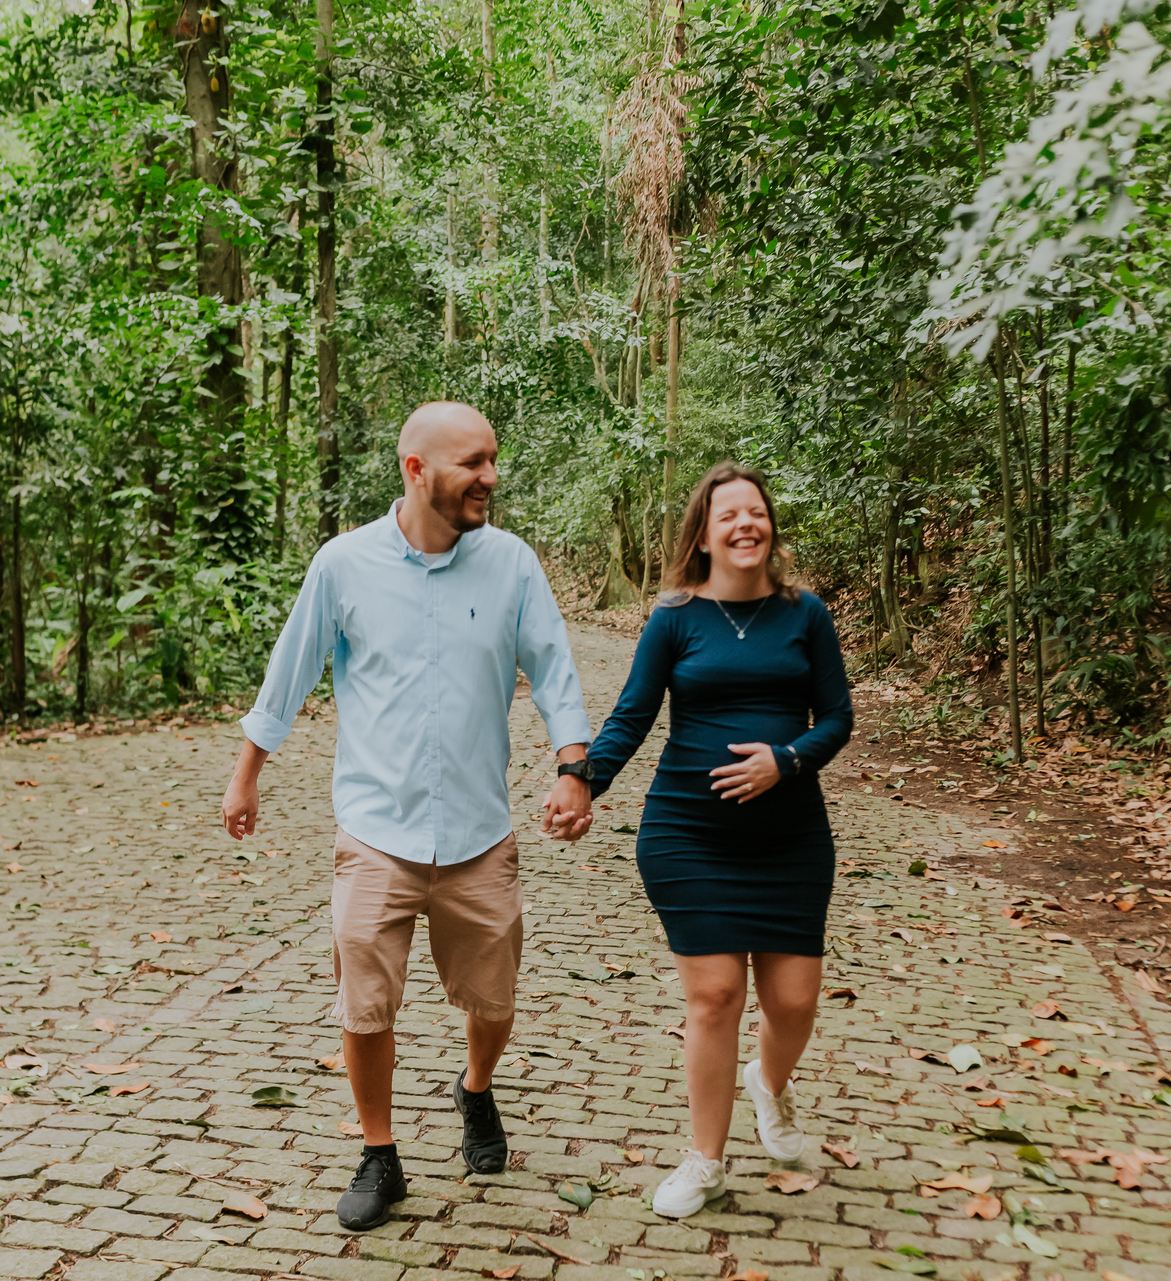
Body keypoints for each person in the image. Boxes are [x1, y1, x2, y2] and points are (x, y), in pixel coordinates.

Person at [221, 402, 595, 1231]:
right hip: (374, 830)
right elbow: (290, 670)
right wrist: (248, 773)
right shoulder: (344, 564)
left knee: (492, 1002)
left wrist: (575, 768)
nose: (491, 478)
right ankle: (380, 1153)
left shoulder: (512, 565)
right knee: (365, 1004)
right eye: (472, 462)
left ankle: (476, 1089)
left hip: (478, 832)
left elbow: (556, 670)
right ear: (415, 469)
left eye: (494, 459)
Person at [586, 462, 853, 1218]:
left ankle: (769, 1083)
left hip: (791, 835)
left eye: (756, 512)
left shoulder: (807, 614)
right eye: (727, 514)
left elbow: (837, 717)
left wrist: (787, 760)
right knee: (715, 996)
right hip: (687, 832)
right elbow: (632, 715)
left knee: (793, 1001)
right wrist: (585, 781)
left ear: (770, 527)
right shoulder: (674, 617)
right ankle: (705, 1159)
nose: (745, 524)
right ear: (702, 534)